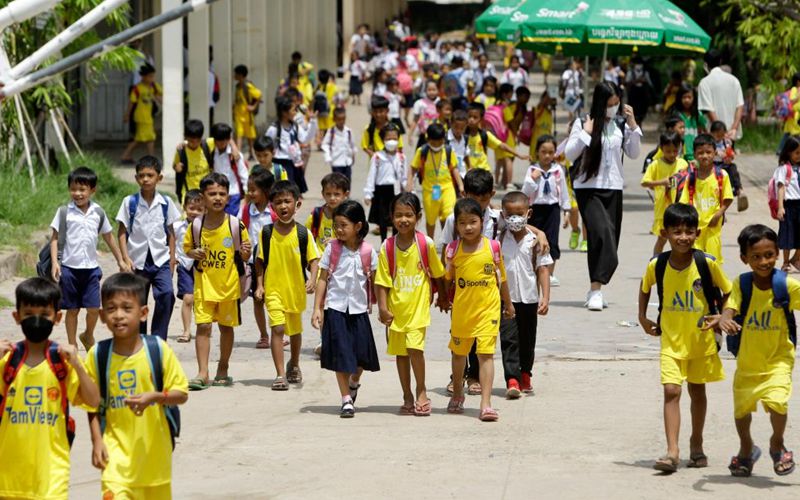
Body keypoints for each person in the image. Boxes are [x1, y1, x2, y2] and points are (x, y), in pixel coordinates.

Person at [638, 203, 732, 473]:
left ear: (697, 233)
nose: (683, 237)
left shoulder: (707, 263)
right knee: (671, 390)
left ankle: (696, 443)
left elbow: (729, 292)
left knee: (697, 390)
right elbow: (644, 288)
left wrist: (722, 316)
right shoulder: (657, 265)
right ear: (665, 233)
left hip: (701, 341)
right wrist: (642, 317)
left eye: (689, 232)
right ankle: (672, 451)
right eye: (677, 232)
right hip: (670, 339)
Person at [85, 273, 188, 499]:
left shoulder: (158, 350)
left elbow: (181, 393)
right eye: (111, 309)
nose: (118, 315)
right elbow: (91, 403)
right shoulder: (97, 355)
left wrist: (155, 397)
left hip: (155, 463)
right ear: (102, 315)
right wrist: (97, 440)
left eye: (126, 308)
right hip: (115, 462)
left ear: (143, 313)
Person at [0, 277, 99, 500]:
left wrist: (78, 365)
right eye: (29, 313)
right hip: (8, 480)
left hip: (52, 479)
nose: (37, 320)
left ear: (57, 317)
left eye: (44, 314)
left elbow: (93, 401)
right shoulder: (7, 361)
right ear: (17, 317)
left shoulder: (63, 363)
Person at [712, 225, 797, 478]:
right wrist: (724, 318)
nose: (764, 262)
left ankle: (776, 444)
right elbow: (730, 307)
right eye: (756, 256)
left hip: (778, 359)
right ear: (744, 258)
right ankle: (746, 448)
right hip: (748, 362)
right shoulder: (742, 283)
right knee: (741, 411)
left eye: (769, 255)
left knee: (778, 403)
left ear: (777, 253)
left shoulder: (786, 285)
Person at [565, 82, 642, 311]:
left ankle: (595, 290)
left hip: (614, 187)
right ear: (600, 103)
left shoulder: (620, 124)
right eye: (609, 104)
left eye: (616, 103)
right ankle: (597, 288)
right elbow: (570, 154)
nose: (613, 108)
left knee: (610, 239)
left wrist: (633, 124)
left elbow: (634, 153)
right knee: (601, 234)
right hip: (588, 188)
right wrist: (586, 134)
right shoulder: (583, 122)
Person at [375, 193, 447, 416]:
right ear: (391, 217)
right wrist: (382, 308)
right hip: (396, 311)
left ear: (418, 217)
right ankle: (406, 395)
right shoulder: (387, 247)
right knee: (401, 355)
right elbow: (381, 282)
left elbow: (439, 274)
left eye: (408, 215)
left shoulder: (426, 244)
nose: (403, 220)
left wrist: (443, 297)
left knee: (415, 350)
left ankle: (421, 391)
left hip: (418, 310)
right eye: (398, 215)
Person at [445, 198, 515, 422]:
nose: (468, 227)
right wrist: (443, 299)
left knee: (485, 355)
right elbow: (447, 280)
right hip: (462, 313)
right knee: (459, 355)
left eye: (473, 221)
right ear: (456, 225)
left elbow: (502, 279)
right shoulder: (452, 250)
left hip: (488, 311)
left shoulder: (492, 247)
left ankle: (486, 404)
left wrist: (508, 304)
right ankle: (458, 393)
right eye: (462, 222)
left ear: (481, 222)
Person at [312, 200, 380, 418]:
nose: (339, 230)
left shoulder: (368, 251)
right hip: (335, 309)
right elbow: (323, 278)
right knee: (341, 356)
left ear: (357, 226)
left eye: (344, 225)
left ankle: (353, 383)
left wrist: (384, 309)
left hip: (359, 311)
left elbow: (377, 283)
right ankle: (345, 400)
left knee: (360, 359)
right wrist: (317, 309)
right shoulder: (332, 249)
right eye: (336, 225)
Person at [182, 173, 251, 389]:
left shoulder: (235, 225)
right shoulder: (196, 226)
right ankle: (203, 373)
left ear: (228, 197)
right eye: (212, 194)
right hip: (203, 286)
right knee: (203, 327)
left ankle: (223, 366)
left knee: (225, 328)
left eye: (222, 193)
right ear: (203, 197)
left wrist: (246, 253)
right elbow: (187, 249)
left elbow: (245, 255)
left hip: (229, 288)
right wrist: (193, 253)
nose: (218, 198)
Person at [48, 167, 128, 349]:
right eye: (73, 189)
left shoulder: (98, 212)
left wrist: (120, 260)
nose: (77, 193)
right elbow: (54, 238)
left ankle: (87, 334)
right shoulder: (64, 212)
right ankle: (72, 344)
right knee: (72, 310)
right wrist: (54, 263)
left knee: (93, 308)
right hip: (69, 268)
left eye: (82, 189)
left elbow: (108, 237)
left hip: (91, 269)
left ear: (92, 190)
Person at [255, 181, 320, 391]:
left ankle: (295, 363)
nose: (283, 206)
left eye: (287, 201)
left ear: (297, 204)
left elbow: (314, 259)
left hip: (295, 291)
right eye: (278, 202)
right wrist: (259, 285)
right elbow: (260, 261)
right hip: (273, 290)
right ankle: (280, 374)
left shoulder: (303, 233)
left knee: (295, 331)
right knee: (278, 328)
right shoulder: (266, 233)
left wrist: (312, 279)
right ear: (272, 206)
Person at [116, 156, 181, 339]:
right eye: (142, 175)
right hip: (137, 261)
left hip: (161, 260)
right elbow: (122, 232)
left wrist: (172, 258)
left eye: (150, 175)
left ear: (159, 178)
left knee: (167, 294)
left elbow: (171, 232)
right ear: (136, 178)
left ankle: (158, 338)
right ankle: (140, 339)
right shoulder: (130, 202)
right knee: (137, 302)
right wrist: (125, 258)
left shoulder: (166, 203)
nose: (145, 179)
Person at [498, 191, 551, 398]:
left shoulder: (535, 241)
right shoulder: (499, 240)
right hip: (506, 300)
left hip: (529, 298)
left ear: (528, 213)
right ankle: (512, 379)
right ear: (503, 215)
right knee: (509, 339)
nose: (514, 218)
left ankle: (525, 373)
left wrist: (545, 297)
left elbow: (543, 269)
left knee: (528, 339)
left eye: (519, 214)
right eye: (510, 214)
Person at [675, 134, 734, 264]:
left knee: (713, 261)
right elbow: (684, 202)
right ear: (695, 155)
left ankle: (713, 278)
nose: (705, 156)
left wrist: (718, 214)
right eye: (700, 153)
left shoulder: (721, 175)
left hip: (713, 227)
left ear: (715, 153)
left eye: (708, 152)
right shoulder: (691, 178)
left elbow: (728, 198)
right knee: (695, 261)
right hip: (695, 229)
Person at [522, 136, 570, 286]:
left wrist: (566, 211)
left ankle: (550, 273)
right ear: (537, 152)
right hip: (535, 209)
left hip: (552, 210)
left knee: (552, 241)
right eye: (543, 152)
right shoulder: (532, 170)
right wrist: (532, 179)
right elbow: (525, 193)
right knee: (533, 240)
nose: (547, 156)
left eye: (551, 152)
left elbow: (563, 192)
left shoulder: (558, 170)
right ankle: (532, 271)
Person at [239, 169, 276, 349]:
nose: (250, 193)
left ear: (266, 191)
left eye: (254, 190)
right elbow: (241, 230)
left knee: (275, 299)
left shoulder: (274, 211)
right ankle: (263, 334)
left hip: (274, 262)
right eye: (249, 189)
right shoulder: (247, 210)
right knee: (258, 299)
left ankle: (279, 332)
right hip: (255, 263)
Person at [408, 123, 463, 237]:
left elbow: (454, 169)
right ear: (428, 139)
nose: (437, 145)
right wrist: (409, 183)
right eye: (433, 143)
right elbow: (413, 168)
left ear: (444, 139)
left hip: (447, 189)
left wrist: (461, 186)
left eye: (439, 142)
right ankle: (430, 241)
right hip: (430, 190)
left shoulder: (448, 150)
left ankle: (447, 241)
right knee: (431, 219)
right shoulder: (422, 151)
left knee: (448, 215)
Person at [641, 132, 689, 256]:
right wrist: (661, 182)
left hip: (679, 207)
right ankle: (656, 263)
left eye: (675, 151)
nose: (672, 154)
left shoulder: (683, 164)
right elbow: (645, 182)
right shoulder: (655, 164)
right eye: (668, 151)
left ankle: (679, 263)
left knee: (680, 238)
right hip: (663, 209)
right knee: (662, 239)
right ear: (661, 148)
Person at [266, 96, 318, 195]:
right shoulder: (274, 129)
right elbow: (266, 144)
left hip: (292, 164)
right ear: (284, 112)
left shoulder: (295, 127)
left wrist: (313, 121)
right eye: (293, 110)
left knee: (292, 192)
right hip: (279, 164)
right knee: (280, 191)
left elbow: (305, 138)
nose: (295, 113)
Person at [365, 123, 406, 241]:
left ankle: (394, 241)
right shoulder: (377, 157)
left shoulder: (401, 157)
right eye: (388, 138)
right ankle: (383, 242)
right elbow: (371, 175)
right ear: (383, 140)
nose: (392, 141)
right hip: (381, 191)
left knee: (396, 217)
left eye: (394, 138)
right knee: (382, 219)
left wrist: (408, 190)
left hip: (396, 191)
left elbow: (404, 176)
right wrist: (368, 193)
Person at [174, 189, 204, 344]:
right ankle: (186, 330)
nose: (195, 212)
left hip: (203, 268)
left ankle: (202, 329)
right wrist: (174, 257)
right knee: (188, 298)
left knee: (200, 300)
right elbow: (170, 243)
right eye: (191, 208)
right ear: (184, 207)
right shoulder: (177, 227)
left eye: (199, 209)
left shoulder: (207, 228)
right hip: (185, 266)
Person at [698, 50, 745, 142]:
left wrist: (721, 131)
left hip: (714, 134)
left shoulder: (704, 83)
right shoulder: (734, 80)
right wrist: (734, 128)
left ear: (705, 64)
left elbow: (708, 109)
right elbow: (739, 106)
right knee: (729, 151)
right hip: (731, 133)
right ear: (720, 61)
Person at [465, 102, 527, 172]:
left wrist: (519, 155)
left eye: (475, 117)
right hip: (466, 173)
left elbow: (502, 145)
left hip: (483, 172)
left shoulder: (485, 135)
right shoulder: (461, 136)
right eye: (469, 116)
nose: (471, 119)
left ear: (481, 119)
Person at [121, 64, 162, 164]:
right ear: (143, 76)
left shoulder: (153, 86)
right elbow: (131, 102)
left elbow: (159, 96)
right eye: (150, 76)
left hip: (148, 116)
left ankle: (126, 155)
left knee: (140, 139)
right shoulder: (137, 88)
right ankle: (152, 159)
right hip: (141, 116)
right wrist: (127, 114)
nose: (152, 78)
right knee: (150, 138)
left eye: (153, 76)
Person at [209, 123, 249, 216]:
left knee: (231, 220)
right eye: (218, 140)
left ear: (228, 139)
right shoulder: (212, 153)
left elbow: (244, 174)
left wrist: (246, 194)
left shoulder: (235, 155)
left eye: (224, 140)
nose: (221, 143)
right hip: (217, 194)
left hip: (233, 194)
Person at [307, 173, 351, 253]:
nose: (332, 198)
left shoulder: (350, 217)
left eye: (337, 194)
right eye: (328, 194)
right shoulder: (316, 215)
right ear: (323, 194)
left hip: (342, 259)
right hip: (319, 259)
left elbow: (355, 241)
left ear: (346, 194)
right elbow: (306, 238)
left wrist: (337, 242)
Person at [775, 136, 800, 272]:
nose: (799, 156)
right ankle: (785, 262)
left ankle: (796, 258)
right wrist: (780, 207)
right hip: (789, 205)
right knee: (788, 234)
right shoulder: (784, 168)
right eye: (797, 153)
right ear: (789, 152)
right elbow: (781, 187)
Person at [173, 119, 212, 202]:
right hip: (188, 193)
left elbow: (224, 136)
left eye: (197, 141)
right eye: (191, 141)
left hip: (206, 193)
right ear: (185, 137)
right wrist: (177, 168)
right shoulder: (181, 151)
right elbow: (175, 165)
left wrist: (234, 148)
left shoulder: (207, 145)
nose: (194, 144)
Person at [710, 120, 746, 206]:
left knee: (733, 168)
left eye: (722, 135)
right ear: (712, 133)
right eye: (717, 136)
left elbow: (730, 153)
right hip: (713, 164)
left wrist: (730, 156)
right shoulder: (710, 143)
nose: (719, 138)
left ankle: (738, 189)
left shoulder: (726, 142)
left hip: (724, 164)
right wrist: (717, 153)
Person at [670, 84, 707, 162]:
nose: (687, 100)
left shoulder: (698, 115)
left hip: (695, 155)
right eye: (684, 97)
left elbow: (703, 131)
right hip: (679, 155)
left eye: (689, 97)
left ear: (694, 98)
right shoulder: (676, 114)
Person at [233, 64, 263, 159]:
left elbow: (259, 95)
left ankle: (251, 153)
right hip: (239, 115)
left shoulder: (248, 86)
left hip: (247, 116)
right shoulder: (238, 86)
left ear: (241, 75)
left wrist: (253, 107)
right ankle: (238, 153)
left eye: (236, 74)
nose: (234, 76)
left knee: (250, 136)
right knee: (239, 134)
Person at [321, 107, 356, 181]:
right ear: (334, 119)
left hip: (347, 162)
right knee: (338, 183)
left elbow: (352, 145)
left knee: (347, 182)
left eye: (343, 119)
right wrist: (328, 157)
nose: (341, 121)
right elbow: (325, 144)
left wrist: (353, 155)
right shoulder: (331, 131)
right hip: (336, 162)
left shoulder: (348, 131)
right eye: (339, 119)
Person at [409, 80, 440, 149]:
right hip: (424, 136)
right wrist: (410, 135)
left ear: (438, 90)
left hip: (439, 135)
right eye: (429, 90)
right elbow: (415, 120)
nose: (431, 92)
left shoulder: (441, 102)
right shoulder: (419, 103)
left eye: (434, 90)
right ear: (425, 90)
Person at [625, 57, 654, 126]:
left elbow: (650, 84)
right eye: (637, 63)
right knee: (633, 110)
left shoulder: (645, 73)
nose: (639, 65)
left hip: (642, 95)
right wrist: (635, 81)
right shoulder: (630, 72)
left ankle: (639, 123)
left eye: (640, 63)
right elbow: (627, 82)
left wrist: (644, 81)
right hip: (633, 94)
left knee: (642, 110)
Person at [314, 69, 338, 149]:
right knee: (329, 129)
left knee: (321, 128)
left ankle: (320, 144)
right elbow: (337, 97)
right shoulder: (332, 86)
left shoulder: (318, 87)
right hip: (330, 111)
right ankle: (329, 144)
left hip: (320, 111)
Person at [777, 73, 800, 154]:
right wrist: (798, 96)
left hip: (794, 117)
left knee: (787, 134)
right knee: (795, 135)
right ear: (798, 81)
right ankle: (782, 150)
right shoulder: (794, 89)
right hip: (794, 117)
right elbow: (792, 101)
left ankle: (780, 150)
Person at [447, 109, 470, 178]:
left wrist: (470, 167)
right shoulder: (445, 139)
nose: (458, 130)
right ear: (451, 124)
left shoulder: (465, 139)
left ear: (466, 126)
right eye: (456, 127)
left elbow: (466, 155)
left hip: (462, 174)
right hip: (448, 175)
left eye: (462, 128)